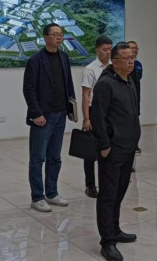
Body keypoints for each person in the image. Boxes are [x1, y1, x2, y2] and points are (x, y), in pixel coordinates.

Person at [91, 42, 142, 261]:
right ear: (115, 61)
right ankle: (107, 241)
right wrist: (104, 145)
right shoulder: (105, 84)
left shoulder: (129, 80)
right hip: (112, 149)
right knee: (108, 195)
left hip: (128, 147)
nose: (131, 61)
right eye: (126, 58)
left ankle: (115, 229)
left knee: (120, 192)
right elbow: (98, 117)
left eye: (132, 57)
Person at [23, 23, 75, 212]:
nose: (59, 37)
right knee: (38, 158)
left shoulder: (64, 57)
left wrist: (72, 108)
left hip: (60, 114)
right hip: (43, 116)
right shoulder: (35, 60)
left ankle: (52, 193)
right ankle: (37, 197)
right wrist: (36, 113)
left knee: (55, 157)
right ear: (45, 37)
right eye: (55, 34)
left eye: (61, 34)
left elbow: (68, 84)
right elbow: (28, 89)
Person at [81, 35, 113, 198]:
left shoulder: (114, 67)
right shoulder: (91, 69)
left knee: (109, 147)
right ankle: (90, 184)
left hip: (111, 111)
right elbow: (86, 95)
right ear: (97, 50)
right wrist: (86, 118)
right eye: (104, 49)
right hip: (94, 110)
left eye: (110, 49)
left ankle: (107, 181)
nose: (108, 52)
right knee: (90, 151)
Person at [128, 40, 143, 155]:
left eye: (136, 48)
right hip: (126, 96)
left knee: (135, 120)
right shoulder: (124, 63)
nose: (134, 50)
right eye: (132, 47)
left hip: (136, 95)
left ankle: (135, 143)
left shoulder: (138, 64)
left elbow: (139, 79)